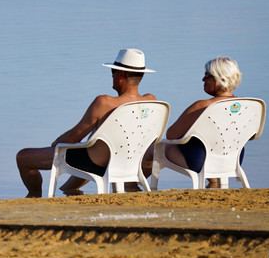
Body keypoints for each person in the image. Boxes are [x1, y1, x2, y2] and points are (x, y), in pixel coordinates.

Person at [15, 48, 157, 198]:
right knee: (89, 153)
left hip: (96, 163)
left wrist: (57, 142)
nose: (112, 76)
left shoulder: (104, 102)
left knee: (23, 158)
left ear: (121, 74)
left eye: (112, 72)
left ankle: (33, 197)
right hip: (128, 162)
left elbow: (73, 138)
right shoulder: (152, 101)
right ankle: (68, 191)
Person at [162, 56, 243, 188]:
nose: (203, 79)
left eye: (207, 76)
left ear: (219, 79)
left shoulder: (202, 106)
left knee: (153, 150)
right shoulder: (246, 106)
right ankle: (213, 184)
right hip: (234, 159)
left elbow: (171, 134)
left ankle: (132, 187)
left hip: (200, 161)